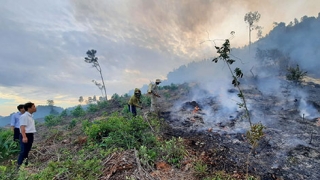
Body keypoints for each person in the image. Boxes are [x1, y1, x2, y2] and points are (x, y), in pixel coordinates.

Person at [17, 102, 37, 168]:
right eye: (33, 106)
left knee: (27, 150)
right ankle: (19, 166)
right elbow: (22, 127)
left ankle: (25, 164)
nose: (35, 108)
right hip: (26, 135)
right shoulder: (24, 116)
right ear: (29, 108)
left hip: (30, 135)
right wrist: (24, 137)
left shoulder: (30, 116)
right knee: (23, 151)